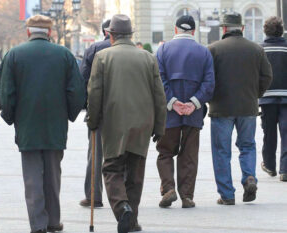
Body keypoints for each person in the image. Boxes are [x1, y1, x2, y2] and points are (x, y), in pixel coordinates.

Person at [0, 15, 85, 233]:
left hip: (27, 125)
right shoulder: (64, 54)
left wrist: (10, 117)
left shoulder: (14, 55)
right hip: (55, 125)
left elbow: (6, 93)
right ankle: (54, 221)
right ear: (50, 32)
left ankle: (38, 224)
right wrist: (70, 114)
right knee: (53, 175)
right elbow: (76, 91)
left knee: (32, 176)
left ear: (28, 32)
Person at [87, 14, 167, 233]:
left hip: (114, 123)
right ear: (131, 35)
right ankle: (131, 219)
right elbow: (159, 95)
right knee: (135, 172)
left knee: (112, 167)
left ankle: (122, 208)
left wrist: (92, 120)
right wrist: (160, 126)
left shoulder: (102, 57)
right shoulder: (148, 57)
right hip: (143, 123)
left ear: (110, 35)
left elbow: (95, 93)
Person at [208, 12, 273, 205]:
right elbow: (267, 76)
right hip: (248, 106)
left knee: (221, 151)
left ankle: (227, 194)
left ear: (224, 29)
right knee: (247, 145)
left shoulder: (213, 49)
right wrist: (256, 94)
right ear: (242, 28)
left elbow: (208, 79)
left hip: (221, 108)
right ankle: (249, 177)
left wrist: (211, 98)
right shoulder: (256, 49)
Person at [156, 15, 215, 209]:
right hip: (194, 113)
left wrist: (172, 102)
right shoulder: (204, 52)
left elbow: (158, 79)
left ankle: (168, 188)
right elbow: (209, 83)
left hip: (169, 113)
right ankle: (187, 196)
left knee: (165, 152)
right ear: (193, 31)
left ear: (175, 30)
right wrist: (193, 103)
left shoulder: (163, 50)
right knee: (189, 155)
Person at [79, 19, 111, 208]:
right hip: (124, 111)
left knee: (96, 155)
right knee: (121, 155)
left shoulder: (94, 49)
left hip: (98, 109)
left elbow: (83, 79)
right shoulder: (138, 51)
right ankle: (122, 197)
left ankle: (93, 196)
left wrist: (86, 106)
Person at [260, 16, 287, 182]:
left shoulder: (260, 50)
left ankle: (270, 165)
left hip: (267, 98)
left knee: (269, 133)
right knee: (286, 133)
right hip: (286, 97)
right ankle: (285, 169)